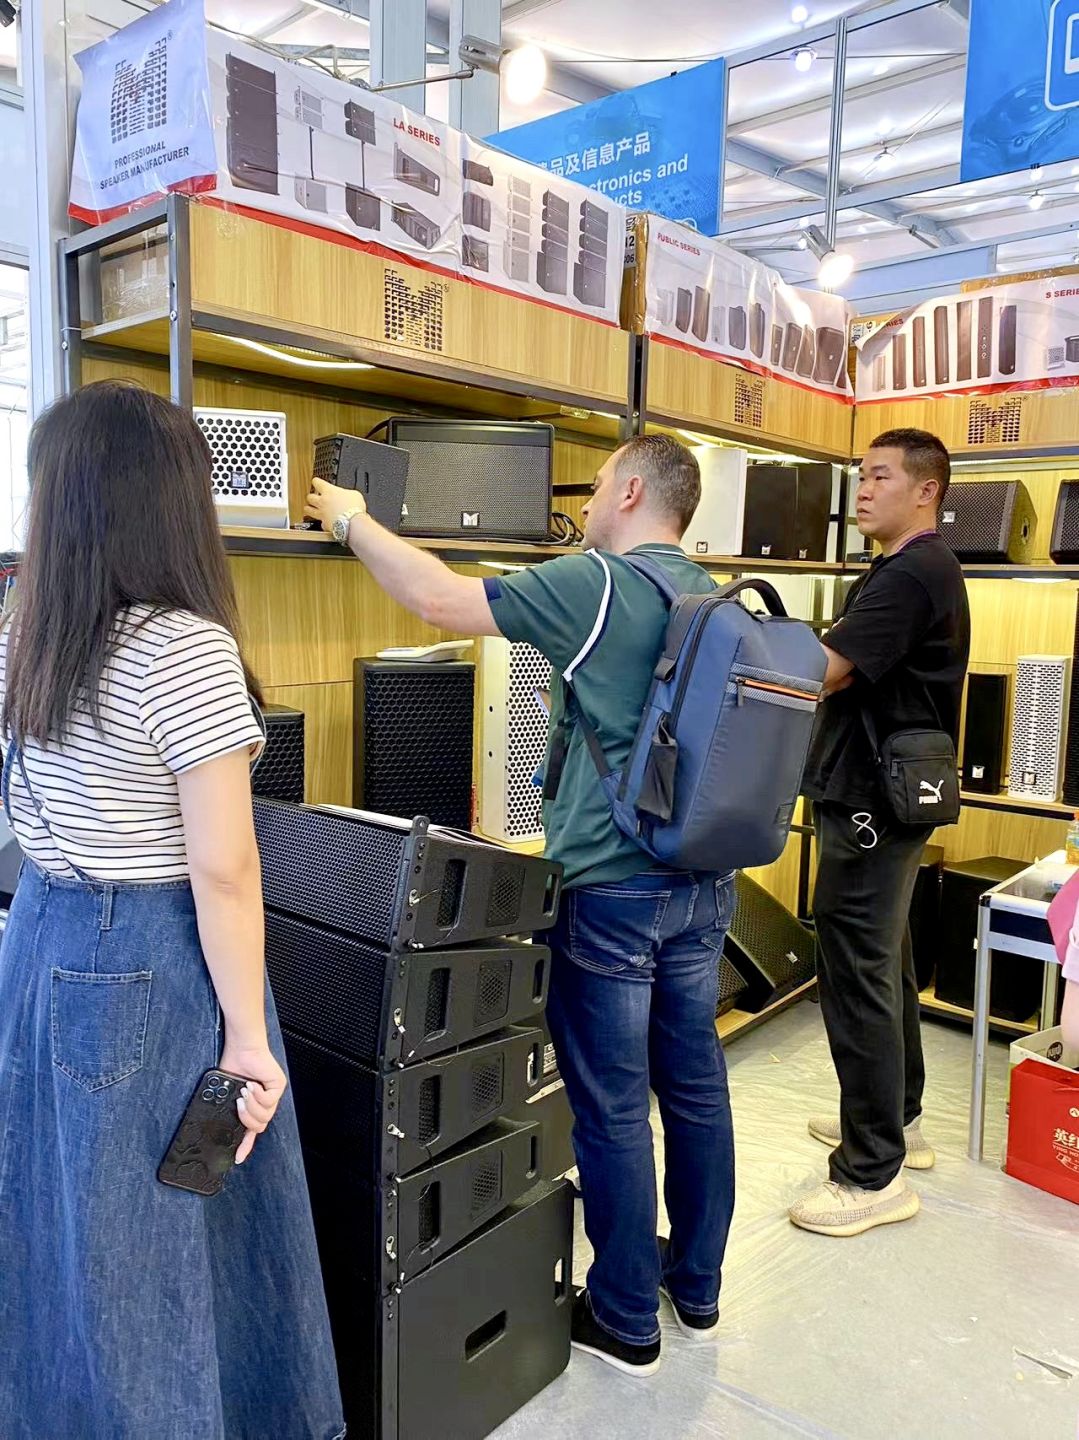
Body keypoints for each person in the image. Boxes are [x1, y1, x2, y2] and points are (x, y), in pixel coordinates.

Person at [306, 434, 735, 1376]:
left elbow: (439, 599)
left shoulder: (599, 584)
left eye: (598, 484)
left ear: (632, 490)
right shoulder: (711, 594)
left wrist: (352, 521)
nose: (585, 502)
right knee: (695, 1089)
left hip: (611, 891)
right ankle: (695, 1288)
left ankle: (625, 1316)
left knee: (612, 1107)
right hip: (704, 888)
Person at [0, 382, 344, 1439]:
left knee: (63, 1216)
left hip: (41, 935)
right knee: (162, 1231)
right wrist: (248, 1038)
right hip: (154, 958)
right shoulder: (182, 647)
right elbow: (224, 868)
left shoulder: (25, 630)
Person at [792, 427, 970, 1238]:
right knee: (885, 960)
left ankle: (871, 1174)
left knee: (856, 970)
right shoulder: (906, 568)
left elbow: (825, 671)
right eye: (859, 476)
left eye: (879, 477)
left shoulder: (910, 574)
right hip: (886, 795)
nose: (861, 490)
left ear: (925, 490)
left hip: (872, 799)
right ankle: (897, 1120)